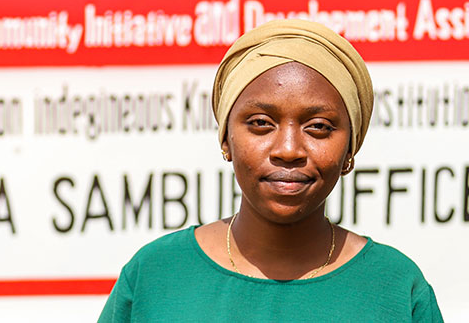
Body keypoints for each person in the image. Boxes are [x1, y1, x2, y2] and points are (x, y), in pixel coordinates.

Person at [98, 19, 443, 322]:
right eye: (261, 123)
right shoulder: (156, 277)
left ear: (350, 148)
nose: (288, 150)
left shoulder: (395, 289)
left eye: (319, 126)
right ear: (226, 140)